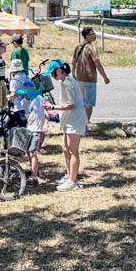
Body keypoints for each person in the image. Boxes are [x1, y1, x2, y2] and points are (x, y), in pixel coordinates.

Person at [43, 59, 88, 192]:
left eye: (52, 73)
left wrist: (53, 107)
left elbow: (70, 105)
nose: (52, 76)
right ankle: (69, 175)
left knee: (73, 150)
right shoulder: (65, 82)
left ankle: (73, 181)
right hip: (69, 120)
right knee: (65, 148)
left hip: (75, 120)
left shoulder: (68, 83)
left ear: (59, 71)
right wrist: (56, 110)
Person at [71, 27, 110, 121]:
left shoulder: (78, 47)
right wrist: (105, 77)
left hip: (79, 78)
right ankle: (85, 123)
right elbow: (97, 64)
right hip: (89, 78)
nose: (95, 35)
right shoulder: (92, 48)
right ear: (87, 36)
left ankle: (81, 121)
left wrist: (74, 75)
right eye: (93, 34)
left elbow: (73, 62)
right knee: (89, 104)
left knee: (81, 102)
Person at [15, 84, 47, 186]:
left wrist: (46, 124)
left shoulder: (39, 98)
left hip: (38, 130)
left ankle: (34, 177)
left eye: (25, 94)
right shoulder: (28, 101)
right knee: (29, 152)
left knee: (33, 152)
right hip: (30, 129)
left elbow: (47, 112)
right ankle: (34, 171)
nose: (24, 96)